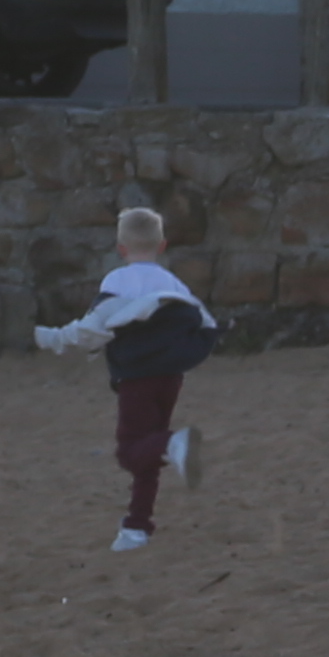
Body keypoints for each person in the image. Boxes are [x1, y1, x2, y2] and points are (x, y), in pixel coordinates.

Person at [34, 204, 219, 554]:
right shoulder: (173, 282)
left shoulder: (118, 281)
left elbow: (94, 328)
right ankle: (137, 527)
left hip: (137, 378)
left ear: (121, 249)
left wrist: (53, 338)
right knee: (147, 450)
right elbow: (204, 323)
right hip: (170, 377)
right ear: (162, 246)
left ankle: (173, 444)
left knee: (131, 451)